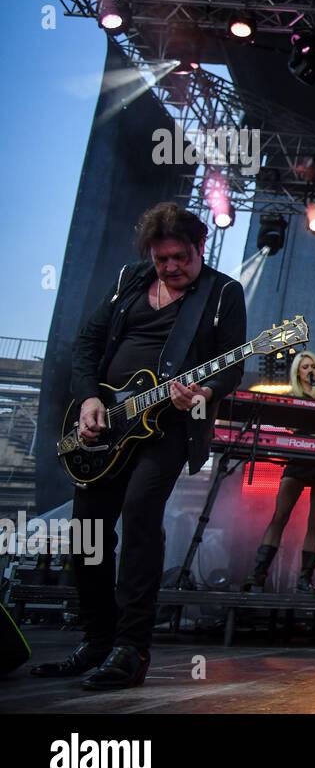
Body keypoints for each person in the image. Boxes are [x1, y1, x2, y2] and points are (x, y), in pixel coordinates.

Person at [33, 203, 246, 689]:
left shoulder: (222, 293)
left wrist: (203, 393)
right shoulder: (129, 279)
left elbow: (231, 366)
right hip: (106, 423)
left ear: (200, 247)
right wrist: (88, 397)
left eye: (180, 257)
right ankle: (96, 641)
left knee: (140, 512)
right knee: (87, 529)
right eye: (162, 258)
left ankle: (131, 649)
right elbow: (86, 343)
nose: (171, 267)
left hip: (166, 428)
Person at [243, 350, 315, 595]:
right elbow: (286, 422)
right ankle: (258, 575)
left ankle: (304, 580)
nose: (309, 370)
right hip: (299, 457)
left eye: (313, 366)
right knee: (280, 516)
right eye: (304, 366)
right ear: (297, 371)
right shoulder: (290, 396)